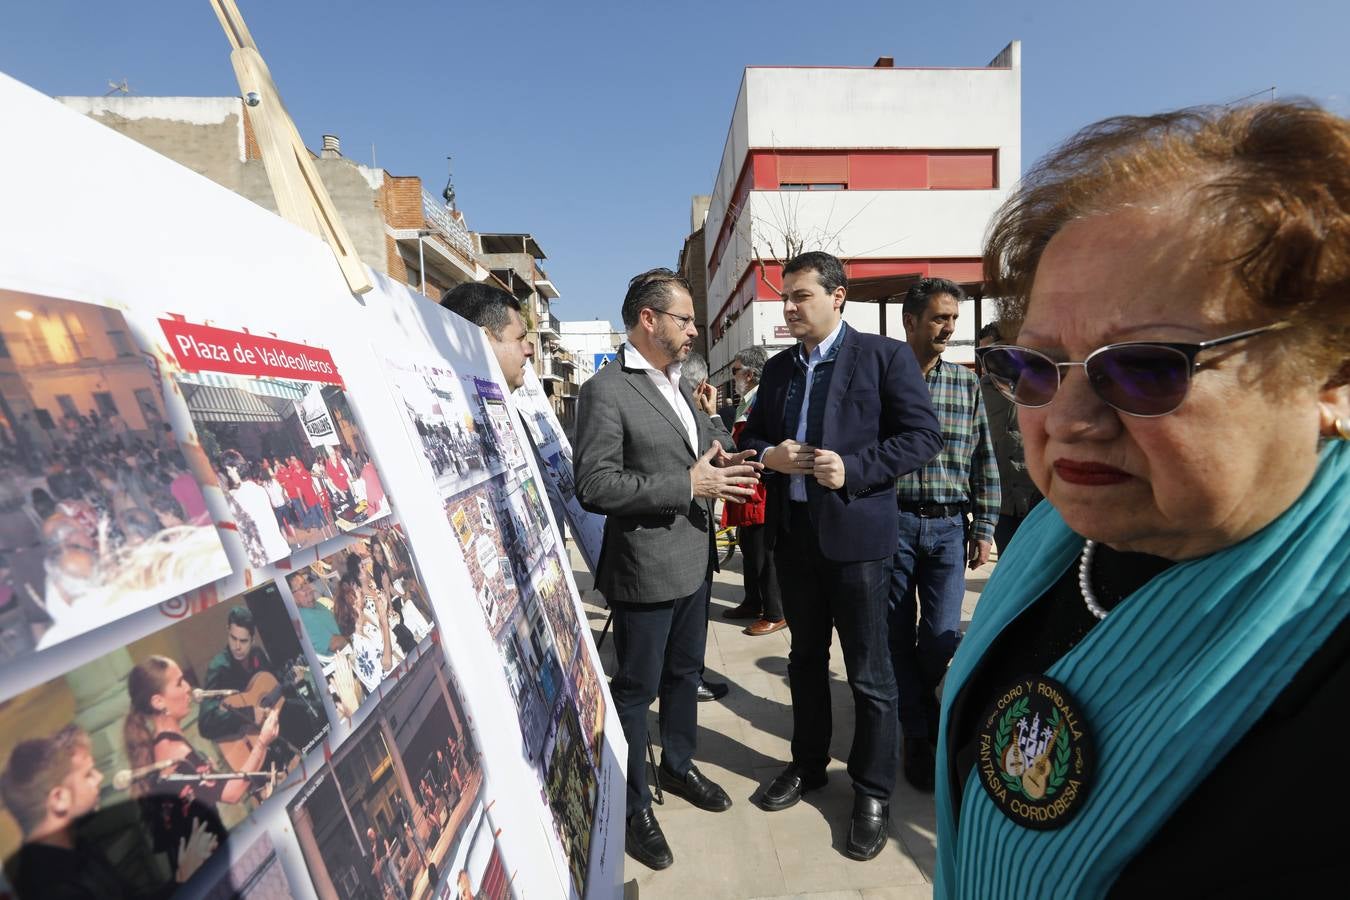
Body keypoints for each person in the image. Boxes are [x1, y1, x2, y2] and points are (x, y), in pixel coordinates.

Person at [936, 102, 1350, 897]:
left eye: (1144, 367)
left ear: (1331, 377)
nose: (1067, 419)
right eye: (1035, 366)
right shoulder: (1055, 538)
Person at [738, 250, 942, 861]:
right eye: (786, 297)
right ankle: (807, 764)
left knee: (870, 673)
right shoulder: (776, 371)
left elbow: (922, 437)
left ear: (838, 297)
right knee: (804, 659)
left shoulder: (883, 358)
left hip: (858, 543)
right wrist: (767, 454)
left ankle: (872, 790)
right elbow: (750, 435)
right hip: (794, 538)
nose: (790, 306)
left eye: (801, 295)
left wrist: (852, 468)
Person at [574, 267, 760, 871]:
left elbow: (694, 449)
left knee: (684, 675)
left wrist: (721, 456)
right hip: (646, 570)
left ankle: (677, 766)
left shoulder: (679, 383)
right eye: (685, 318)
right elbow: (595, 484)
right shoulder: (606, 389)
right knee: (636, 689)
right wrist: (687, 483)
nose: (694, 329)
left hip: (694, 559)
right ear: (648, 320)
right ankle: (633, 807)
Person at [887, 277, 1001, 793]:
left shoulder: (967, 384)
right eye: (938, 318)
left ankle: (918, 703)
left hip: (950, 529)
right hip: (892, 523)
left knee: (938, 636)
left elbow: (983, 459)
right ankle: (917, 732)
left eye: (953, 319)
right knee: (892, 635)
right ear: (910, 321)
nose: (948, 328)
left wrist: (985, 526)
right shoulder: (883, 381)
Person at [0, 725, 215, 899]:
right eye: (87, 775)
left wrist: (182, 878)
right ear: (58, 799)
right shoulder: (49, 887)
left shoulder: (79, 847)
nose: (100, 778)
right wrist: (185, 880)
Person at [124, 656, 278, 874]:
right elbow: (232, 793)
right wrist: (262, 742)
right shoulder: (175, 752)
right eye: (179, 683)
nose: (188, 688)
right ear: (159, 701)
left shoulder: (164, 747)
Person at [440, 282, 568, 544]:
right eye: (520, 338)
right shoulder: (459, 421)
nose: (529, 350)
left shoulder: (507, 410)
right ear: (483, 340)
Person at [719, 346, 785, 635]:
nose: (733, 377)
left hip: (760, 489)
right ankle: (752, 600)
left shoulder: (763, 400)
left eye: (735, 371)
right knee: (749, 547)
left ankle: (774, 611)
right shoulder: (747, 401)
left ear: (749, 372)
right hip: (746, 487)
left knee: (764, 553)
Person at [677, 351, 732, 698]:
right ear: (701, 386)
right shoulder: (692, 419)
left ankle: (690, 674)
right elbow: (725, 449)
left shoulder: (690, 415)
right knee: (688, 628)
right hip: (688, 540)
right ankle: (689, 678)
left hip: (694, 539)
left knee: (691, 626)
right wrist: (712, 413)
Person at [976, 322, 1043, 552]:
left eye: (993, 352)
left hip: (1038, 499)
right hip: (1002, 503)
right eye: (982, 355)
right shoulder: (979, 390)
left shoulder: (1043, 383)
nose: (987, 362)